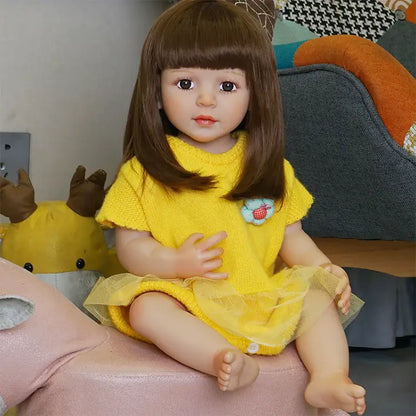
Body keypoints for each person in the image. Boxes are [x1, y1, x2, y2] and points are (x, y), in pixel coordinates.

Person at [84, 0, 366, 414]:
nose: (205, 101)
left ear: (255, 94)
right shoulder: (144, 172)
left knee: (314, 297)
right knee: (146, 307)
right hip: (188, 298)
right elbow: (130, 247)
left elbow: (292, 236)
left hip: (261, 295)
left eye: (227, 86)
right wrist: (175, 261)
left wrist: (325, 268)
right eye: (184, 84)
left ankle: (328, 379)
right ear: (156, 92)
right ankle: (220, 357)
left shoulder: (269, 167)